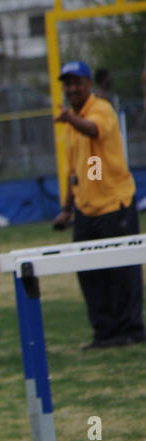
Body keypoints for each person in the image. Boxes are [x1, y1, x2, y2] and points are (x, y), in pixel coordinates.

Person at [51, 60, 145, 348]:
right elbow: (75, 171)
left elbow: (94, 130)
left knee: (122, 271)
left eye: (77, 82)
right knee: (90, 273)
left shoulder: (100, 109)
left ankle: (131, 329)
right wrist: (67, 208)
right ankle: (104, 332)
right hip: (86, 209)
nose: (72, 88)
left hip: (114, 204)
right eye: (68, 84)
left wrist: (70, 119)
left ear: (89, 84)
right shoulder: (71, 123)